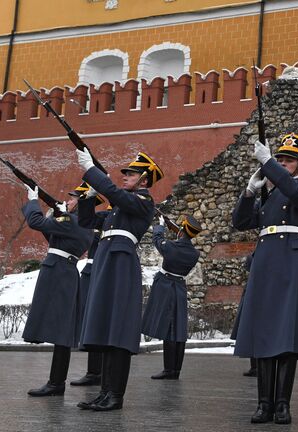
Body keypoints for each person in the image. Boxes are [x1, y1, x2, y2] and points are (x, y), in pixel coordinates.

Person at [232, 133, 298, 424]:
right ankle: (264, 403)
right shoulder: (268, 198)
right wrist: (248, 192)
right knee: (264, 333)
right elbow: (241, 222)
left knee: (287, 334)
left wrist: (269, 164)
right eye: (279, 158)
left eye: (288, 160)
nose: (283, 164)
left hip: (290, 261)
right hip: (266, 261)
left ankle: (283, 403)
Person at [75, 150, 163, 411]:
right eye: (125, 173)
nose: (125, 177)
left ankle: (115, 395)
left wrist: (92, 171)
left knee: (118, 330)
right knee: (105, 326)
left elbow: (115, 194)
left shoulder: (144, 202)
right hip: (105, 261)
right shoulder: (118, 208)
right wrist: (88, 198)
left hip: (121, 262)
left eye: (132, 174)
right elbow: (87, 220)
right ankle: (104, 393)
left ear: (144, 181)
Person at [22, 186, 92, 396]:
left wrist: (33, 201)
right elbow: (52, 236)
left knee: (62, 333)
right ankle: (56, 382)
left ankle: (56, 383)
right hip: (62, 271)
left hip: (58, 273)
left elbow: (35, 222)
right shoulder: (80, 223)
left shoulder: (73, 221)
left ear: (81, 203)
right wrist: (55, 214)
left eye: (72, 200)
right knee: (62, 332)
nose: (67, 201)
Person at [142, 214, 202, 380]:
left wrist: (161, 225)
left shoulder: (171, 247)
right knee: (179, 329)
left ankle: (169, 369)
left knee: (169, 329)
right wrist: (173, 226)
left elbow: (157, 239)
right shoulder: (194, 253)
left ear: (182, 231)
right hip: (180, 287)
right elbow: (180, 241)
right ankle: (176, 370)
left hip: (166, 286)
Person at [70, 183, 108, 387]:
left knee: (96, 319)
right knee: (89, 319)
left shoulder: (100, 221)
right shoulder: (87, 221)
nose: (72, 200)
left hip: (97, 271)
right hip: (90, 272)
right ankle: (94, 370)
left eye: (78, 197)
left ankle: (97, 371)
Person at [231, 252, 258, 378]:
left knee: (253, 332)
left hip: (253, 295)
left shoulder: (253, 256)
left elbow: (248, 265)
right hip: (256, 294)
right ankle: (256, 367)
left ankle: (256, 367)